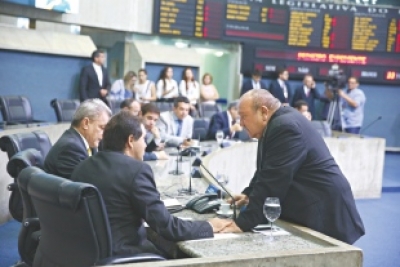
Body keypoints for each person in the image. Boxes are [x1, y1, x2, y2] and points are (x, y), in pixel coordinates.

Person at [70, 112, 229, 256]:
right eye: (144, 139)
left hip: (86, 251)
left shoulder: (83, 166)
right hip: (122, 252)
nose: (146, 145)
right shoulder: (137, 171)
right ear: (131, 141)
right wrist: (208, 226)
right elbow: (166, 227)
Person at [220, 89, 365, 245]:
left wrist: (241, 224)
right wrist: (249, 194)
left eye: (244, 117)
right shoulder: (274, 122)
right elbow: (267, 169)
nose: (240, 123)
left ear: (263, 112)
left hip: (326, 213)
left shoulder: (285, 126)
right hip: (314, 207)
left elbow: (273, 182)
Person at [44, 99, 111, 179]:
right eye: (102, 128)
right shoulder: (70, 148)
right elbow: (86, 184)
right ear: (85, 123)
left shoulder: (86, 143)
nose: (104, 134)